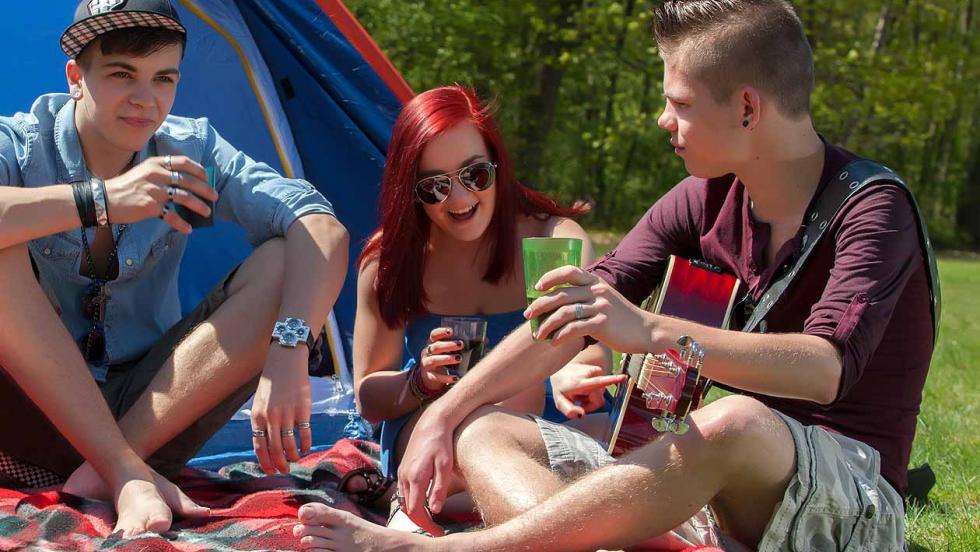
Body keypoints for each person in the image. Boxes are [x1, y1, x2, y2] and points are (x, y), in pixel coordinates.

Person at [294, 0, 934, 550]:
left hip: (850, 501)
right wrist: (443, 413)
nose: (663, 120)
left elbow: (826, 369)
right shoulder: (703, 198)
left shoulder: (873, 207)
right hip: (709, 490)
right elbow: (569, 316)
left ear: (747, 108)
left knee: (736, 421)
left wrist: (650, 330)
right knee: (484, 430)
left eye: (678, 102)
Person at [0, 0, 348, 538]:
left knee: (286, 257)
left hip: (149, 412)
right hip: (28, 413)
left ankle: (116, 469)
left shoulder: (191, 151)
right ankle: (122, 472)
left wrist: (291, 344)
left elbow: (321, 225)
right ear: (76, 77)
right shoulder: (19, 144)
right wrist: (101, 199)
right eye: (122, 75)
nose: (146, 99)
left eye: (164, 78)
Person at [346, 85, 622, 527]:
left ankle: (424, 508)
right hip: (438, 432)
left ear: (498, 164)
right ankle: (561, 514)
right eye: (435, 186)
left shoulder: (551, 241)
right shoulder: (389, 264)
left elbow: (591, 353)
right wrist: (419, 381)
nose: (458, 200)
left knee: (525, 384)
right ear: (409, 191)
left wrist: (564, 370)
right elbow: (369, 398)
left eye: (474, 175)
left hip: (544, 424)